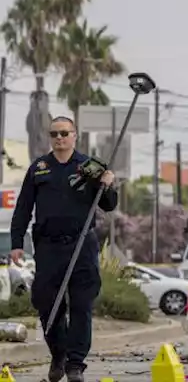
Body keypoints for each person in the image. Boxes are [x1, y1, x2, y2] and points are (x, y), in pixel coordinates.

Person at [10, 116, 117, 382]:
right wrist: (16, 244)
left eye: (64, 133)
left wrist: (107, 184)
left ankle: (75, 364)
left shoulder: (89, 167)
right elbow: (23, 207)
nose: (59, 138)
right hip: (48, 247)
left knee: (81, 305)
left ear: (74, 135)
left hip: (82, 245)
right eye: (55, 134)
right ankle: (58, 354)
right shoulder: (39, 168)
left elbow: (109, 205)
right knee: (48, 305)